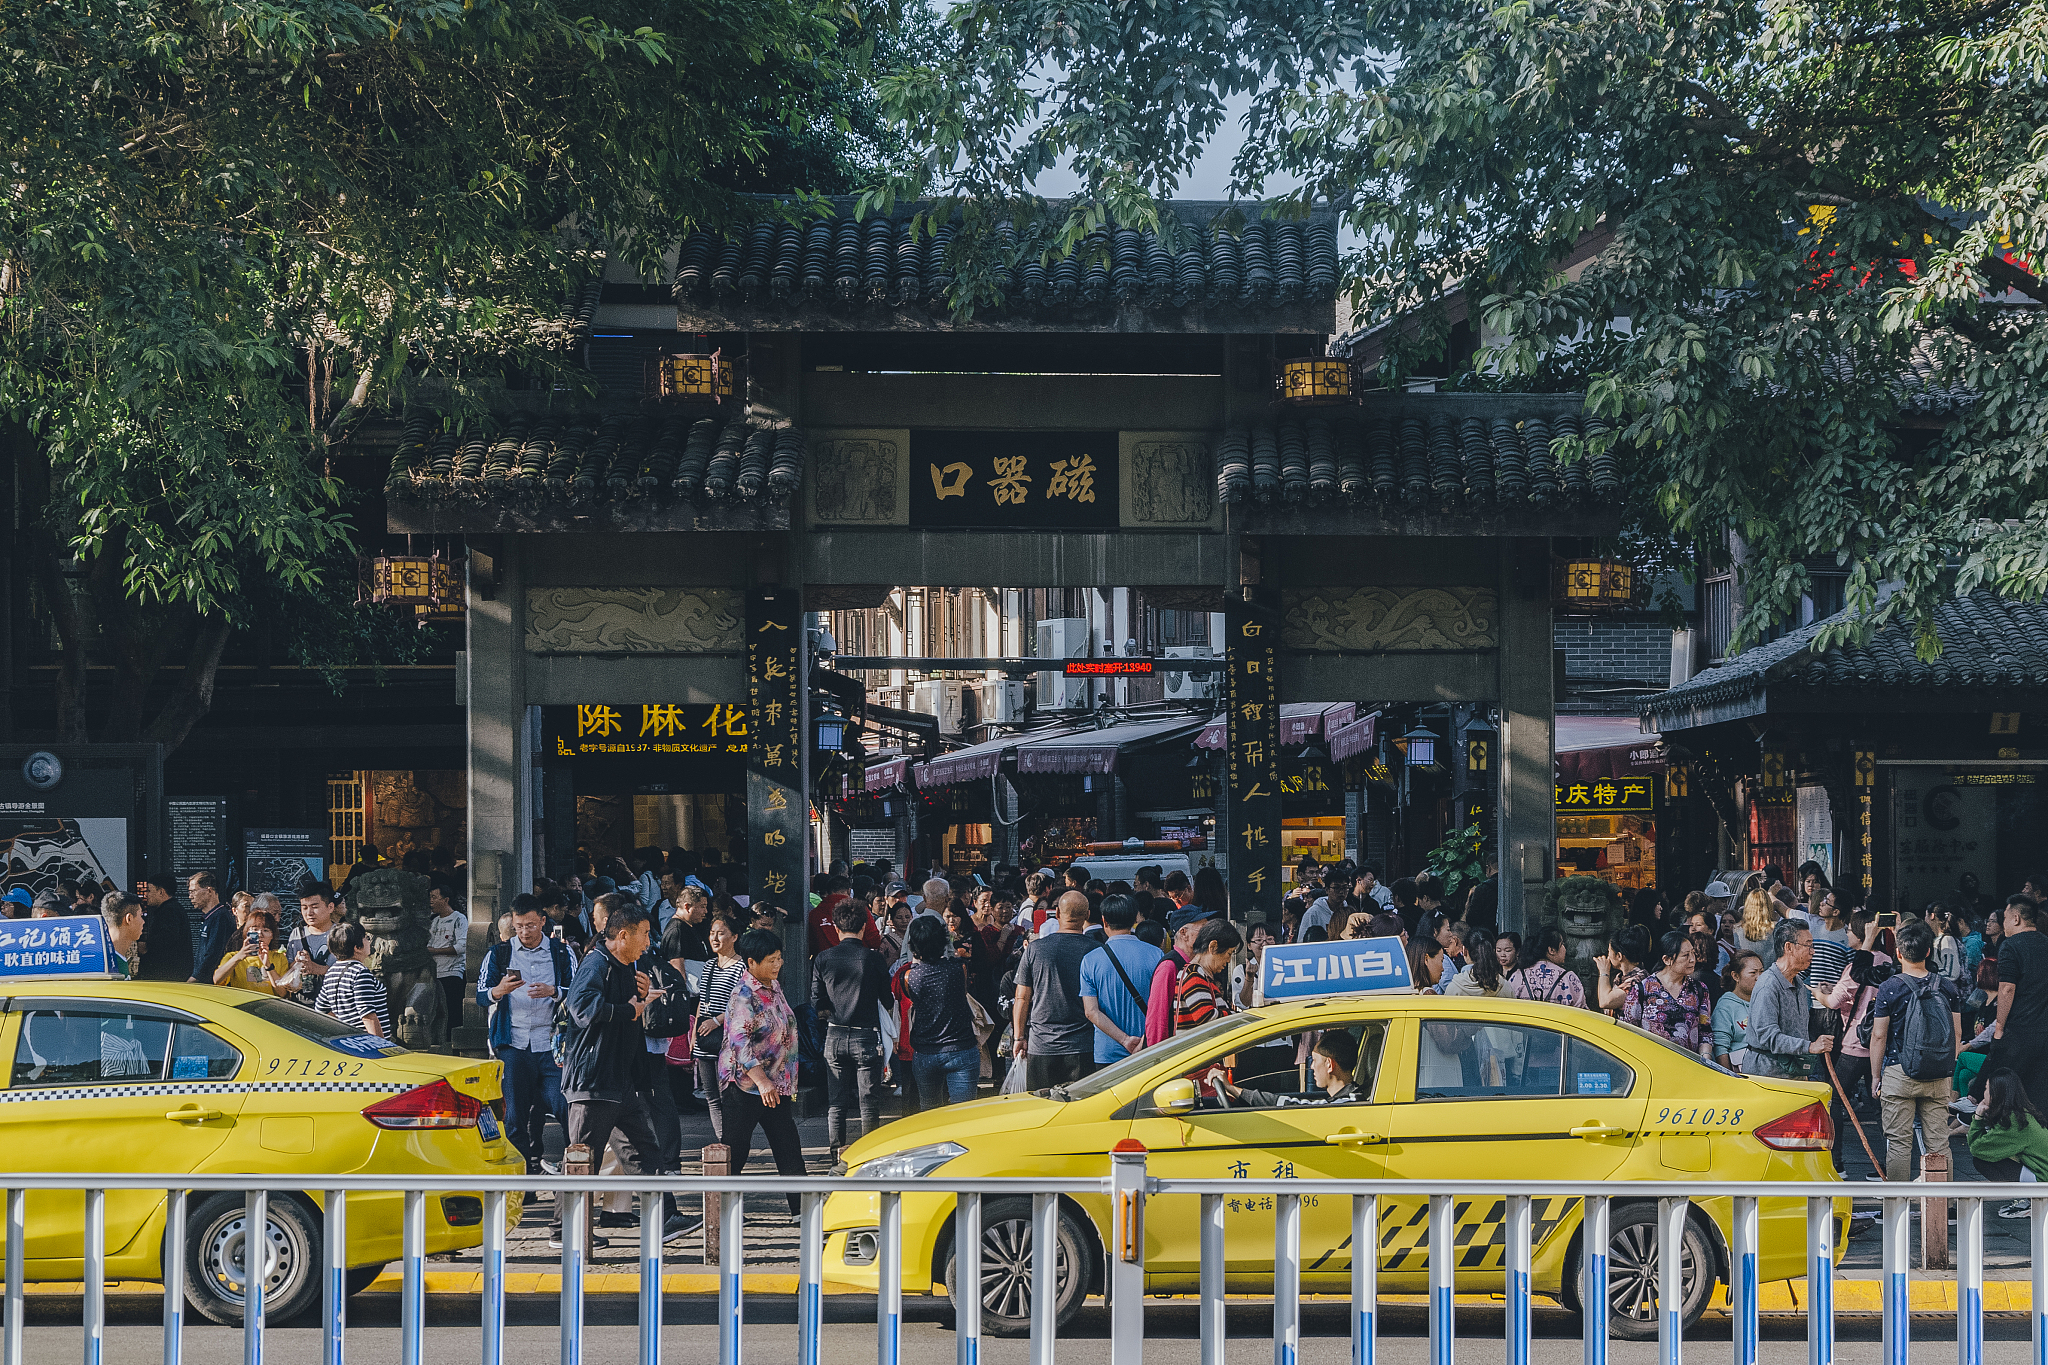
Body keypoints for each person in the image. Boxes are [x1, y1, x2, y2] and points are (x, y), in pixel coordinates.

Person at [553, 899, 687, 1246]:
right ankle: (562, 1230)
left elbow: (629, 1010)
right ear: (622, 935)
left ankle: (665, 1217)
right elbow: (581, 1008)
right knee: (583, 1156)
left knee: (644, 1149)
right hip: (594, 1079)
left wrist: (639, 996)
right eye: (643, 934)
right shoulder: (596, 963)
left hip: (620, 1078)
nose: (648, 941)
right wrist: (627, 1008)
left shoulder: (624, 966)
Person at [478, 896, 575, 1173]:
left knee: (565, 1106)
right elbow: (481, 996)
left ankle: (574, 1168)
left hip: (552, 1044)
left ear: (543, 922)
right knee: (514, 1117)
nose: (525, 932)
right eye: (519, 926)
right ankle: (523, 1178)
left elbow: (578, 993)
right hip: (514, 1043)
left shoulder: (560, 952)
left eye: (531, 925)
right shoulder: (499, 953)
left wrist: (554, 991)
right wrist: (500, 990)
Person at [1868, 918, 1965, 1182]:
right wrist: (1947, 1069)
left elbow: (1879, 1036)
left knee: (1899, 1143)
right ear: (1928, 952)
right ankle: (1942, 1206)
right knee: (1939, 1144)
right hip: (1937, 1075)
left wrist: (1877, 1076)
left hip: (1899, 1073)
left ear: (1898, 953)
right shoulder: (1947, 987)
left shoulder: (1890, 988)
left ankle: (1898, 1207)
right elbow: (1956, 1034)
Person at [718, 928, 807, 1214]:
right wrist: (762, 1082)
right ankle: (722, 1217)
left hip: (774, 1084)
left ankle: (802, 1213)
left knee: (789, 1149)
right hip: (745, 1086)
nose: (777, 964)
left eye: (779, 958)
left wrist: (775, 1082)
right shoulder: (743, 995)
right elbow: (739, 1043)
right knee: (735, 1152)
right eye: (771, 960)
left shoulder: (773, 987)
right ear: (751, 962)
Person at [810, 898, 893, 1152]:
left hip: (834, 1034)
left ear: (836, 927)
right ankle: (868, 1154)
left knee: (836, 1103)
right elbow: (887, 999)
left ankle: (837, 1154)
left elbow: (816, 1001)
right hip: (866, 1035)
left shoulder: (823, 958)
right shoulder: (873, 959)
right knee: (869, 1102)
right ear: (864, 927)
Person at [1012, 891, 1098, 1090]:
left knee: (1042, 1109)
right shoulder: (1096, 950)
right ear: (1087, 916)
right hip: (1084, 1044)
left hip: (1042, 1044)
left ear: (1057, 913)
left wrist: (1019, 1037)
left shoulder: (1035, 949)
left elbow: (1022, 997)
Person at [902, 915, 981, 1107]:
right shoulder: (958, 968)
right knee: (963, 1114)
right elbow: (963, 993)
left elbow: (913, 997)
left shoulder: (909, 976)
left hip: (926, 1049)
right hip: (961, 1047)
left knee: (930, 1112)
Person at [1079, 894, 1164, 1065]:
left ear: (1104, 921)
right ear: (1134, 920)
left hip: (1108, 1053)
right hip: (1149, 1048)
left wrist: (1124, 1039)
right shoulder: (1156, 954)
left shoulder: (1091, 960)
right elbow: (1163, 1006)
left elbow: (1091, 1012)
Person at [1745, 920, 1833, 1078]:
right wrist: (1810, 1047)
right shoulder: (1768, 985)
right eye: (1808, 945)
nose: (1813, 951)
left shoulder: (1797, 981)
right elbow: (1768, 1038)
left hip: (1794, 1072)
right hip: (1768, 1077)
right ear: (1789, 947)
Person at [690, 917, 747, 1142]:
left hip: (728, 1036)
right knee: (711, 1095)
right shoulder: (709, 965)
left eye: (721, 933)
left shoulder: (741, 967)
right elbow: (702, 1001)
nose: (714, 938)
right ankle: (723, 1143)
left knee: (729, 1095)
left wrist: (716, 1020)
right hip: (705, 1035)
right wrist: (694, 1033)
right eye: (712, 933)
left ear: (734, 937)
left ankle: (734, 1141)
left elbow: (741, 1003)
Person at [1990, 894, 2048, 1107]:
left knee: (2006, 1090)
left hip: (2019, 1029)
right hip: (2044, 1029)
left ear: (2016, 918)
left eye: (2004, 917)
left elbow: (2006, 988)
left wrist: (1999, 1028)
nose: (2003, 923)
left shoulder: (2011, 945)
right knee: (2039, 1094)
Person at [1967, 1070, 2048, 1217]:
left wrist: (1977, 1118)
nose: (1983, 1093)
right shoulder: (2021, 1114)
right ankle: (2031, 1198)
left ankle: (2031, 1199)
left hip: (2043, 1180)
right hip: (2043, 1173)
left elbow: (1977, 1148)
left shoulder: (2012, 1123)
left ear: (1996, 1094)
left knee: (1981, 1161)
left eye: (1986, 1089)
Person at [1622, 930, 1713, 1058]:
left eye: (1693, 953)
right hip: (1651, 1063)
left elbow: (1705, 1032)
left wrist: (1705, 1056)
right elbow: (1627, 1030)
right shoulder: (1642, 989)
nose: (1693, 959)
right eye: (1686, 955)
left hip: (1689, 1065)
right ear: (1667, 959)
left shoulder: (1699, 990)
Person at [1223, 1030, 1367, 1107]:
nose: (1311, 1066)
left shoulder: (1346, 1104)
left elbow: (1290, 1105)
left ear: (1329, 1064)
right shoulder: (1345, 1098)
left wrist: (1232, 1089)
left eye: (1314, 1060)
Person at [315, 923, 390, 1037]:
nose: (369, 942)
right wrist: (381, 1046)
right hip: (368, 1044)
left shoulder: (331, 972)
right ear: (357, 947)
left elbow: (321, 1009)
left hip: (348, 1041)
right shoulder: (360, 972)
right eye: (366, 938)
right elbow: (367, 1014)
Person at [1172, 920, 1242, 1033]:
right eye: (1229, 953)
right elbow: (1206, 1017)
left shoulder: (1200, 974)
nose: (1228, 960)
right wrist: (1236, 1016)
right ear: (1213, 947)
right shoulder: (1194, 975)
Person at [1145, 912, 1204, 1046]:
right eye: (1202, 929)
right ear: (1183, 933)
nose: (1207, 935)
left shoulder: (1190, 965)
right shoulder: (1169, 966)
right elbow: (1158, 1019)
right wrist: (1158, 1056)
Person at [213, 908, 292, 996]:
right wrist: (239, 956)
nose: (260, 934)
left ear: (272, 935)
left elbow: (282, 993)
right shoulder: (232, 957)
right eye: (255, 930)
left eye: (265, 930)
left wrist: (268, 966)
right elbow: (217, 980)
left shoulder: (279, 958)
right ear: (247, 933)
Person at [1504, 927, 1587, 1010]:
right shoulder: (1568, 978)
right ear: (1551, 950)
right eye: (1563, 945)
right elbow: (1582, 1011)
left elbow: (1506, 1006)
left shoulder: (1518, 976)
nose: (1565, 949)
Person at [286, 880, 338, 1007]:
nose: (309, 913)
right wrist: (297, 964)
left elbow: (348, 971)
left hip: (332, 1005)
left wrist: (316, 968)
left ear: (330, 907)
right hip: (301, 1004)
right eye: (304, 908)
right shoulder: (296, 934)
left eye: (315, 907)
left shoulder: (341, 934)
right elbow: (287, 968)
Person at [135, 873, 194, 983]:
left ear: (161, 892)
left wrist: (146, 946)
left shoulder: (168, 911)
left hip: (166, 976)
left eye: (149, 890)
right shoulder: (173, 909)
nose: (146, 894)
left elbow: (165, 939)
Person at [1713, 952, 1764, 1070]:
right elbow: (1720, 1048)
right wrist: (1729, 1080)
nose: (1759, 977)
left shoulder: (1765, 1001)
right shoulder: (1725, 1006)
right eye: (1753, 973)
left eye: (1762, 971)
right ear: (1736, 976)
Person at [427, 883, 468, 1030]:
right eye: (430, 897)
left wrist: (435, 951)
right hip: (435, 973)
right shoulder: (433, 921)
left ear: (446, 900)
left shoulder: (459, 919)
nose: (431, 901)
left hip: (452, 973)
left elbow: (462, 947)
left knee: (452, 1012)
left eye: (434, 897)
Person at [189, 872, 235, 984]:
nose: (190, 896)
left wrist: (195, 978)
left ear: (209, 891)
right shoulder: (210, 916)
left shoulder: (220, 918)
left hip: (213, 983)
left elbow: (213, 954)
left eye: (194, 891)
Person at [1595, 925, 1652, 1014]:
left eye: (1609, 951)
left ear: (1619, 956)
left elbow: (1605, 1002)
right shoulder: (1621, 977)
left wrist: (1604, 972)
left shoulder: (1637, 981)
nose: (1608, 956)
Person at [1803, 890, 1852, 990]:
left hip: (1837, 1000)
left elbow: (1852, 974)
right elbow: (1806, 966)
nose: (1821, 903)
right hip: (1814, 999)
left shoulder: (1848, 937)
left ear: (1836, 912)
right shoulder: (1814, 931)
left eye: (1827, 901)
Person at [99, 891, 145, 978]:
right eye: (140, 915)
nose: (143, 922)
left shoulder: (104, 958)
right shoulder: (109, 965)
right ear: (129, 919)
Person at [1734, 888, 1781, 962]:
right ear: (1768, 905)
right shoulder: (1777, 928)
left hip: (1747, 970)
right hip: (1770, 971)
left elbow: (1738, 956)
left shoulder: (1737, 929)